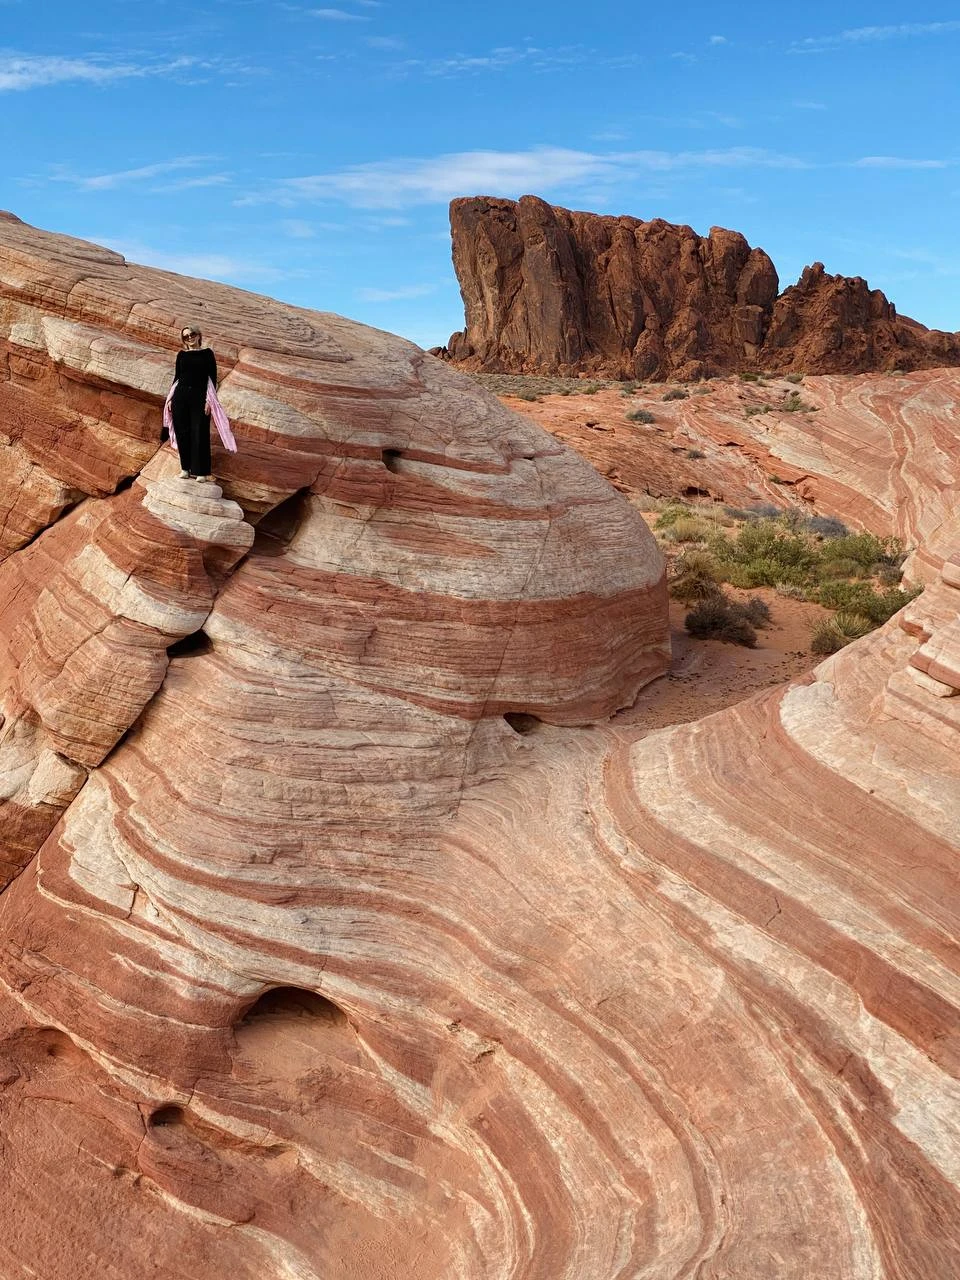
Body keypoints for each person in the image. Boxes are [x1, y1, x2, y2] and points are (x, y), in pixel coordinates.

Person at [163, 325, 237, 479]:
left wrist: (209, 401)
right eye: (186, 336)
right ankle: (185, 469)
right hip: (180, 397)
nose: (189, 337)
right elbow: (177, 377)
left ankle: (201, 472)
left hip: (200, 398)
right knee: (182, 433)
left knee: (200, 433)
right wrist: (170, 399)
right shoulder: (181, 355)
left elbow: (212, 378)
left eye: (192, 334)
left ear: (198, 335)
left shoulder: (207, 354)